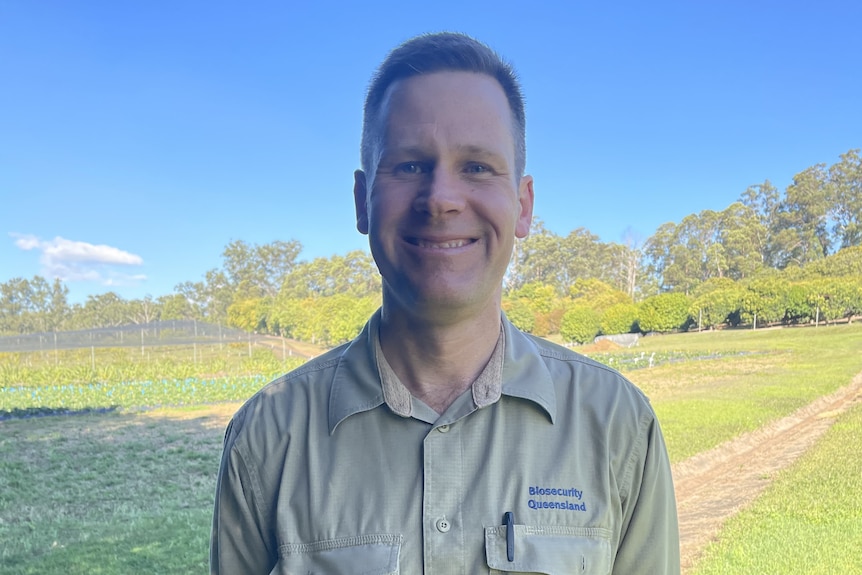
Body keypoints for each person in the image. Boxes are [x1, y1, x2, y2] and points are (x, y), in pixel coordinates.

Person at [211, 32, 680, 574]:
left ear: (523, 206)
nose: (440, 198)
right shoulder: (269, 437)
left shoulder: (618, 426)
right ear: (363, 201)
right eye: (409, 165)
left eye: (477, 167)